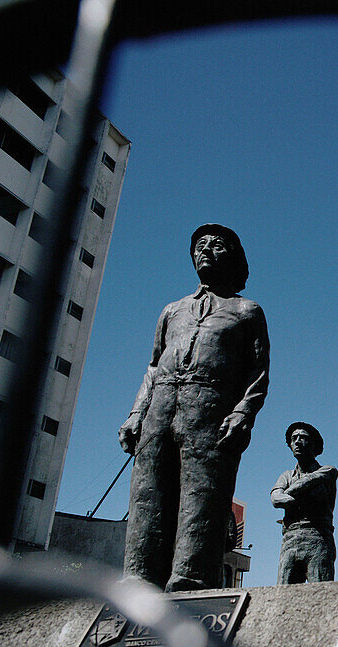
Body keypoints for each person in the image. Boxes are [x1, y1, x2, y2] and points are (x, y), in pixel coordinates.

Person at [118, 224, 269, 591]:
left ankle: (190, 579)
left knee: (202, 494)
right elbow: (154, 365)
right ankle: (139, 579)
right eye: (200, 246)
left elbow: (258, 371)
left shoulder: (247, 311)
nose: (205, 251)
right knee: (147, 492)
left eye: (217, 246)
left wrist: (242, 413)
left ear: (233, 258)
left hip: (210, 407)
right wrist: (137, 412)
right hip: (162, 404)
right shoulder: (172, 310)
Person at [272, 422, 337, 584]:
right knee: (283, 595)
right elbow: (276, 499)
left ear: (314, 444)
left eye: (303, 438)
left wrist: (288, 494)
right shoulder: (286, 475)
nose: (297, 442)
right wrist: (300, 497)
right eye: (294, 439)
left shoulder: (327, 471)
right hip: (289, 541)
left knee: (321, 593)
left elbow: (308, 490)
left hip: (317, 539)